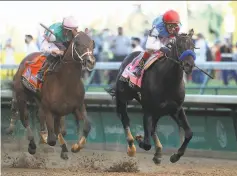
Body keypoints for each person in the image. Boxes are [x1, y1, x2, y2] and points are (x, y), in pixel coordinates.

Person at [132, 10, 181, 77]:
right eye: (170, 26)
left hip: (168, 36)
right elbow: (149, 45)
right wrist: (162, 47)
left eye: (174, 26)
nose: (172, 28)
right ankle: (139, 67)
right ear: (164, 24)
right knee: (150, 50)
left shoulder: (178, 28)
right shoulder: (157, 27)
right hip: (158, 35)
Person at [36, 16, 79, 82]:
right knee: (56, 54)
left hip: (61, 41)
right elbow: (44, 48)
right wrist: (54, 51)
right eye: (71, 31)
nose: (73, 33)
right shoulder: (55, 33)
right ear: (65, 29)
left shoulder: (71, 33)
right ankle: (41, 72)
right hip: (50, 42)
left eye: (75, 30)